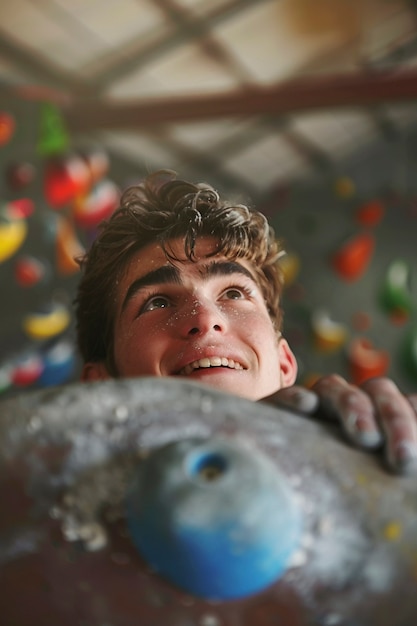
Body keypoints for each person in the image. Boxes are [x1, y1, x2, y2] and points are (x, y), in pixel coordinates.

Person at [75, 169, 417, 475]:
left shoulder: (364, 477)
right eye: (158, 302)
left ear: (284, 363)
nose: (205, 319)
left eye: (235, 294)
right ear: (101, 384)